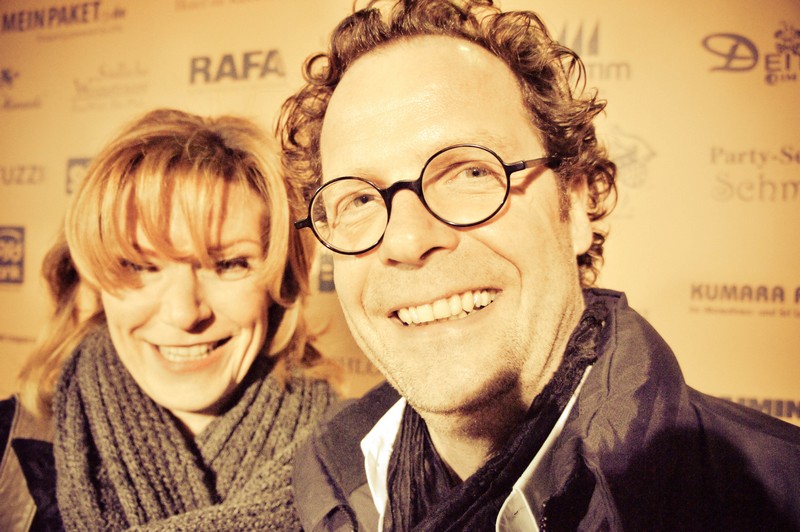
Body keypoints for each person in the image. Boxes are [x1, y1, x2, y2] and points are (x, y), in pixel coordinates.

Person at [279, 1, 800, 530]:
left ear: (575, 204)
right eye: (357, 200)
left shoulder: (775, 499)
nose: (407, 239)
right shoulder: (327, 483)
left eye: (470, 171)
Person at [1, 108, 338, 530]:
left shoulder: (365, 465)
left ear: (282, 280)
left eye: (229, 264)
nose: (184, 313)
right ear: (95, 281)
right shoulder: (7, 449)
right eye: (140, 266)